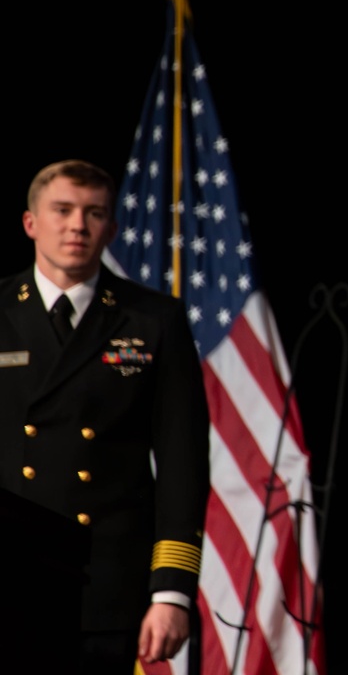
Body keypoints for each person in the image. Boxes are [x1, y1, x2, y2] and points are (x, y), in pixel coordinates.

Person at [0, 160, 210, 673]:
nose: (78, 225)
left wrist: (172, 593)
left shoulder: (155, 320)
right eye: (63, 210)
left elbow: (184, 467)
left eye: (94, 213)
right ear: (31, 223)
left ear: (112, 229)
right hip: (7, 574)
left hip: (109, 584)